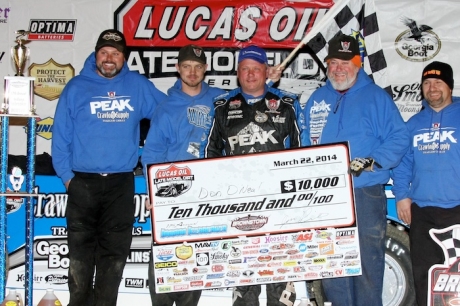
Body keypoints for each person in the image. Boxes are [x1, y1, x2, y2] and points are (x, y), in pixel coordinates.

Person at [51, 29, 166, 306]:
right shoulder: (76, 87)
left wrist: (204, 98)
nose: (109, 58)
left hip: (120, 184)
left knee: (113, 259)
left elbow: (168, 112)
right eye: (104, 52)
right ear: (96, 54)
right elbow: (61, 135)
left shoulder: (137, 85)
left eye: (116, 53)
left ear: (124, 58)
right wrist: (67, 178)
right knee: (79, 257)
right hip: (82, 183)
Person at [299, 34, 409, 306]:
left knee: (367, 264)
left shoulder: (375, 98)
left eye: (345, 62)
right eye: (333, 62)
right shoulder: (317, 98)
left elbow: (399, 138)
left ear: (358, 64)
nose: (338, 68)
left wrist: (372, 161)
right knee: (332, 262)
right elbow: (304, 139)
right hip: (326, 196)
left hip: (364, 193)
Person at [201, 45, 299, 306]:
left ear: (266, 72)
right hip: (238, 204)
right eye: (245, 69)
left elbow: (302, 154)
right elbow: (211, 153)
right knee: (244, 279)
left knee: (280, 275)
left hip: (280, 203)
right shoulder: (223, 106)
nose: (251, 74)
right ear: (237, 73)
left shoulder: (287, 104)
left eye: (257, 69)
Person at [141, 44, 226, 306]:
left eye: (198, 67)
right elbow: (152, 153)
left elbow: (252, 92)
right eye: (187, 66)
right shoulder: (166, 108)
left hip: (206, 192)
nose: (192, 72)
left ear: (205, 69)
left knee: (194, 264)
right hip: (171, 190)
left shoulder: (222, 99)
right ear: (178, 68)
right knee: (165, 264)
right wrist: (152, 191)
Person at [392, 61, 460, 306]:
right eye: (427, 83)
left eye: (438, 82)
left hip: (458, 210)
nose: (432, 88)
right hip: (423, 212)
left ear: (449, 86)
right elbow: (402, 164)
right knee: (425, 277)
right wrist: (402, 196)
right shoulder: (413, 124)